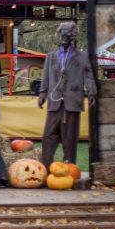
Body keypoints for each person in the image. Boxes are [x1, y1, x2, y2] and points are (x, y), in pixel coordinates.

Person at [38, 22, 96, 169]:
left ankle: (69, 168)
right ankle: (44, 168)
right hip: (55, 102)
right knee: (48, 136)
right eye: (62, 33)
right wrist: (42, 94)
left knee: (70, 139)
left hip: (72, 103)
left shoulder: (82, 56)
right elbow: (45, 77)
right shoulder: (51, 57)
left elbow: (88, 76)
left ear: (73, 36)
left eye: (67, 34)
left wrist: (92, 91)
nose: (64, 36)